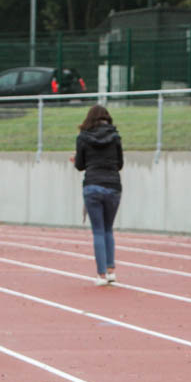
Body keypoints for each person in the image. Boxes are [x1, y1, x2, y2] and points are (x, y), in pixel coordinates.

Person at [72, 104, 123, 285]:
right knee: (108, 229)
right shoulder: (115, 136)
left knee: (98, 231)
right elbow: (120, 164)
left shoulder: (83, 137)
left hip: (92, 185)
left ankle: (101, 275)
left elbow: (80, 165)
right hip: (113, 185)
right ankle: (111, 271)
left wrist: (76, 159)